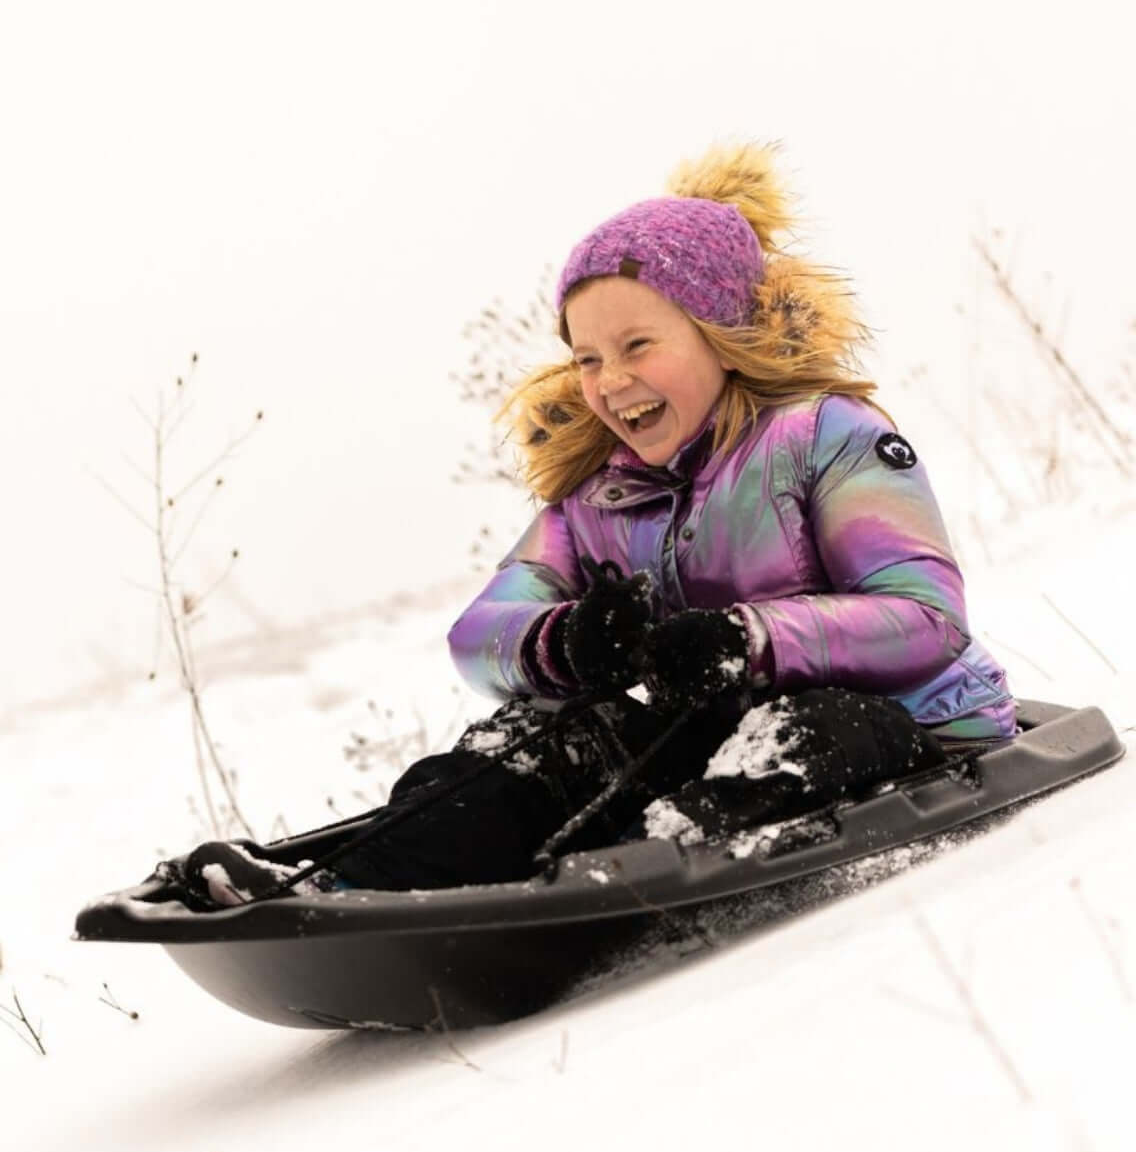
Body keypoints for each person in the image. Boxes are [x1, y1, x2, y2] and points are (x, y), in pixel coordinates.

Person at [178, 140, 1015, 910]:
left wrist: (747, 639)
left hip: (914, 724)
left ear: (720, 336)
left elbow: (927, 618)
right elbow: (479, 634)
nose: (610, 381)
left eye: (637, 345)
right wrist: (566, 643)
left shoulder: (827, 436)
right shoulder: (599, 496)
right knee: (547, 735)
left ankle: (641, 871)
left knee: (812, 725)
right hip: (714, 742)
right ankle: (353, 882)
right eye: (586, 358)